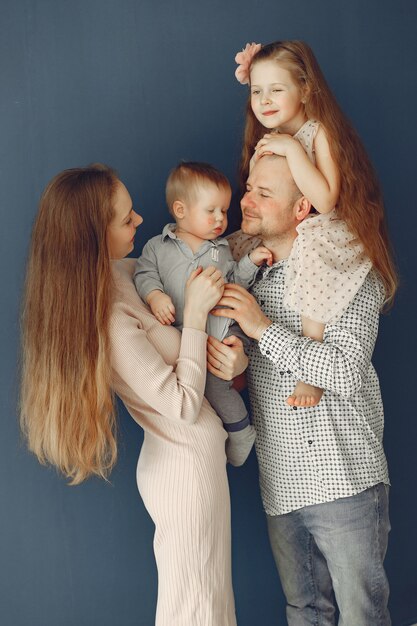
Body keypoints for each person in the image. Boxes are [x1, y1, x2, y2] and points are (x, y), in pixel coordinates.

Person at [19, 164, 246, 626]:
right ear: (93, 236)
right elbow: (182, 404)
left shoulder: (127, 272)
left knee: (206, 602)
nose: (141, 220)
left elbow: (201, 273)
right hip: (185, 472)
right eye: (126, 220)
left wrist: (235, 362)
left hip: (192, 463)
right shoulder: (108, 319)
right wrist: (199, 316)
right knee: (198, 610)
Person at [212, 154, 397, 625]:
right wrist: (240, 363)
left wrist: (262, 328)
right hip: (280, 482)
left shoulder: (351, 272)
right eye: (248, 188)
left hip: (345, 478)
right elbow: (257, 362)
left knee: (362, 615)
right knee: (304, 611)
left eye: (263, 194)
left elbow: (344, 371)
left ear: (301, 209)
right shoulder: (250, 271)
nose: (246, 201)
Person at [233, 40, 397, 408]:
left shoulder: (315, 132)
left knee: (313, 273)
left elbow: (324, 200)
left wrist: (292, 150)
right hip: (296, 230)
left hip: (323, 227)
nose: (265, 100)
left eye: (277, 89)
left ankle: (312, 370)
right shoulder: (264, 139)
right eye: (257, 91)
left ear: (306, 89)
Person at [134, 161, 272, 466]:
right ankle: (226, 432)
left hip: (225, 329)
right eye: (211, 211)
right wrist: (155, 296)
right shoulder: (157, 248)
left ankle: (240, 431)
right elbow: (144, 275)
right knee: (201, 391)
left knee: (218, 384)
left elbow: (235, 280)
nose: (220, 219)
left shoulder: (221, 249)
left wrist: (250, 261)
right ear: (181, 211)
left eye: (223, 211)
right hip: (189, 336)